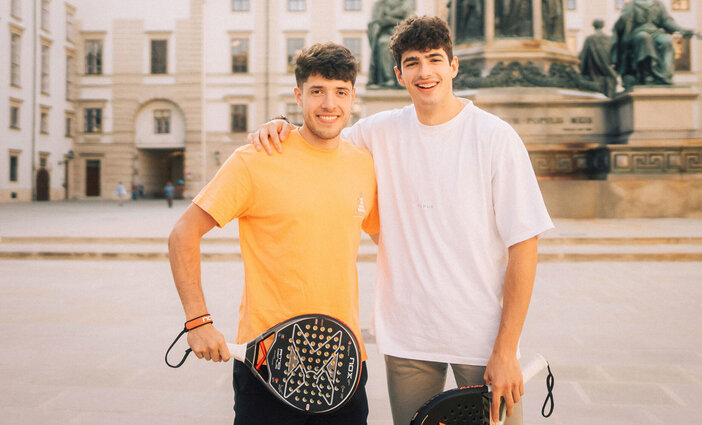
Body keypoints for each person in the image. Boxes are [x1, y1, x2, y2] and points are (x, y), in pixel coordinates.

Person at [248, 16, 553, 425]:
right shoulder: (376, 132)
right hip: (408, 337)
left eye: (434, 60)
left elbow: (524, 246)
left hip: (482, 338)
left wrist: (506, 348)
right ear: (398, 74)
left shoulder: (495, 137)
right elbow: (320, 135)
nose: (425, 72)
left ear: (453, 66)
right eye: (412, 63)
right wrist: (281, 125)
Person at [168, 43, 379, 425]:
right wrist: (197, 322)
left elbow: (397, 241)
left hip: (343, 361)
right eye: (317, 91)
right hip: (269, 361)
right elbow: (183, 233)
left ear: (353, 97)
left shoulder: (363, 164)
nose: (329, 103)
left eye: (340, 92)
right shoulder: (256, 159)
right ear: (299, 96)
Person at [611, 0, 694, 86]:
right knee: (643, 38)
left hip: (655, 32)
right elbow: (622, 24)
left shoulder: (658, 4)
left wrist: (681, 29)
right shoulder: (631, 5)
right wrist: (624, 18)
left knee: (666, 41)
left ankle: (664, 75)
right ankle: (646, 74)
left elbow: (667, 21)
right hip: (637, 32)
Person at [579, 19, 618, 98]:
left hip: (593, 71)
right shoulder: (609, 38)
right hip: (608, 70)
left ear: (593, 26)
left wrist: (581, 69)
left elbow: (583, 56)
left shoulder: (589, 39)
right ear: (603, 26)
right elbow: (613, 56)